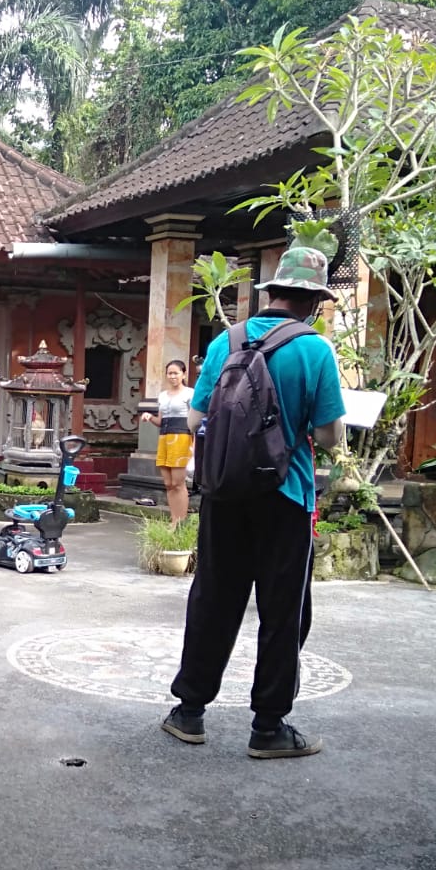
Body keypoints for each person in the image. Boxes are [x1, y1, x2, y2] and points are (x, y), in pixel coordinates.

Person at [161, 247, 346, 758]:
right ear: (313, 301)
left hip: (225, 490)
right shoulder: (315, 350)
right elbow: (329, 435)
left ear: (273, 291)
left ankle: (189, 712)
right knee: (283, 611)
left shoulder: (227, 341)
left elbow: (196, 419)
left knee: (213, 599)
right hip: (286, 495)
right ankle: (268, 727)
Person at [139, 359, 193, 524]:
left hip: (182, 438)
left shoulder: (190, 394)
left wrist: (194, 445)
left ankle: (181, 521)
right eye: (169, 373)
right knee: (168, 483)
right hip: (165, 438)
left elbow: (194, 422)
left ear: (183, 374)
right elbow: (161, 421)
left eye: (176, 373)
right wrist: (150, 417)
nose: (172, 376)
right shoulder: (162, 395)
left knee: (178, 483)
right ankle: (173, 520)